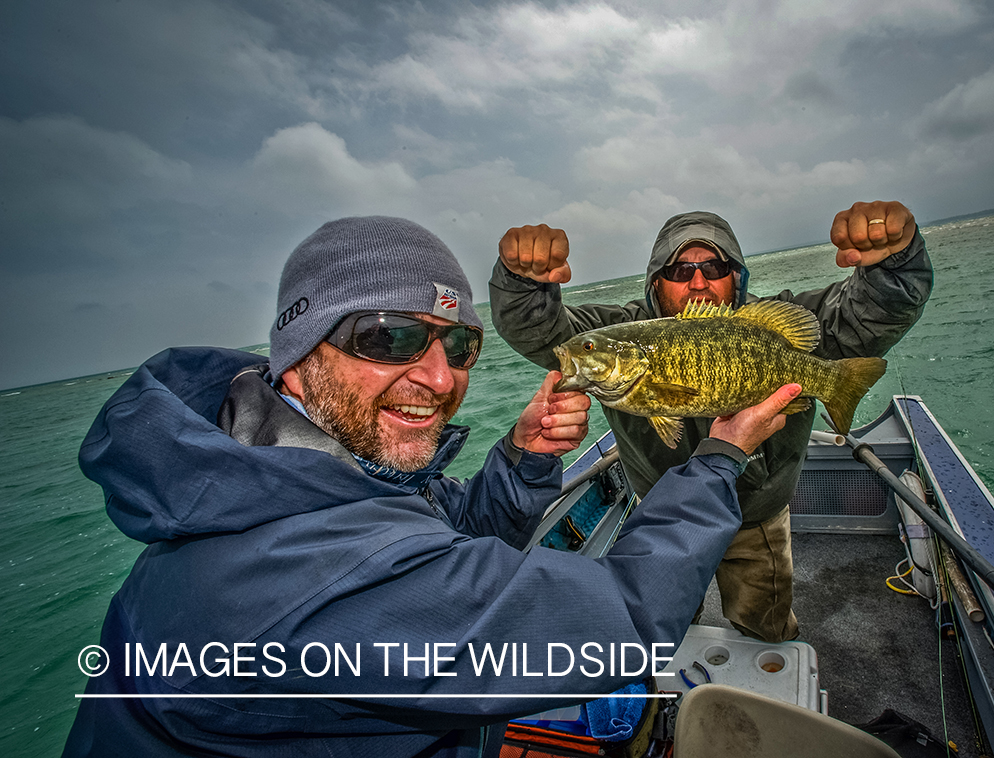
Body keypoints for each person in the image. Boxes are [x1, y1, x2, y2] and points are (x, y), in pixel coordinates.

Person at [64, 215, 804, 758]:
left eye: (457, 344)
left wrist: (520, 455)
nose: (441, 377)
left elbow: (438, 524)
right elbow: (619, 625)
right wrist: (717, 455)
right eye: (389, 337)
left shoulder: (270, 479)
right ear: (295, 353)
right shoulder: (301, 582)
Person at [489, 202, 933, 643]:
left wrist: (892, 264)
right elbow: (545, 332)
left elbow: (871, 312)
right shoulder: (623, 332)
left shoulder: (768, 324)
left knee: (765, 620)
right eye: (680, 271)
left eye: (715, 266)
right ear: (655, 282)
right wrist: (523, 283)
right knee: (667, 625)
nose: (698, 281)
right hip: (664, 518)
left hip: (756, 514)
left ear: (736, 275)